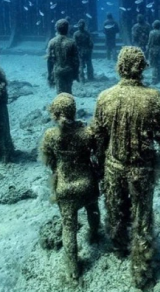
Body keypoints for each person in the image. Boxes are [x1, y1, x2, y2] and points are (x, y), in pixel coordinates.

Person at [92, 46, 160, 289]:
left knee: (115, 210)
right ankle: (142, 269)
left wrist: (97, 164)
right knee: (143, 215)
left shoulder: (105, 96)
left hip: (114, 166)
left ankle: (119, 247)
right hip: (143, 168)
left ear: (120, 67)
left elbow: (98, 136)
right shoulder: (154, 97)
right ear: (143, 67)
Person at [40, 93, 100, 281]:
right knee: (93, 209)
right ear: (73, 111)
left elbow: (49, 161)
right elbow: (97, 153)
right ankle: (94, 234)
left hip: (65, 188)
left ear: (55, 113)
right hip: (87, 184)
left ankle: (73, 268)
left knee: (68, 227)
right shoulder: (87, 132)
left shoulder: (50, 135)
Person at [47, 19, 80, 94]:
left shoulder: (52, 42)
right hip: (69, 70)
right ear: (68, 28)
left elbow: (49, 60)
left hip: (58, 70)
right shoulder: (72, 42)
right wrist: (76, 73)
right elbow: (76, 60)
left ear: (56, 28)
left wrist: (49, 75)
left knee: (60, 92)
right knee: (68, 91)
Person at [147, 20, 160, 84]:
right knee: (159, 64)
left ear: (154, 25)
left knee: (154, 65)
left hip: (152, 50)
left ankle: (154, 79)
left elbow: (150, 42)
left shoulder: (151, 33)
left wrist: (147, 49)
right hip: (159, 50)